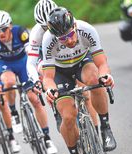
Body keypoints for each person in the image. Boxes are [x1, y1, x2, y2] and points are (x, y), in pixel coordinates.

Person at [42, 7, 117, 154]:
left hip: (82, 62)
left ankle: (105, 128)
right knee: (68, 116)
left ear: (74, 26)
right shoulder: (48, 41)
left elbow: (101, 62)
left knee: (94, 78)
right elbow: (48, 77)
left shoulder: (87, 30)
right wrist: (50, 89)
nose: (68, 41)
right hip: (60, 72)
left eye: (69, 35)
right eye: (62, 39)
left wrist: (105, 75)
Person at [0, 10, 57, 154]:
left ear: (10, 26)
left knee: (34, 100)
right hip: (6, 66)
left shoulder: (21, 32)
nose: (1, 33)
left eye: (4, 29)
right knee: (8, 81)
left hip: (23, 63)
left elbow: (31, 56)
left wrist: (36, 76)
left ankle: (47, 138)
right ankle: (14, 113)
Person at [27, 0, 100, 133]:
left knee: (86, 93)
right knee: (43, 71)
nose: (49, 29)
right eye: (45, 27)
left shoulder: (69, 23)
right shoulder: (36, 33)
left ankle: (95, 131)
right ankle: (56, 106)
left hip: (68, 55)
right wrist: (36, 81)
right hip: (48, 58)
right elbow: (31, 62)